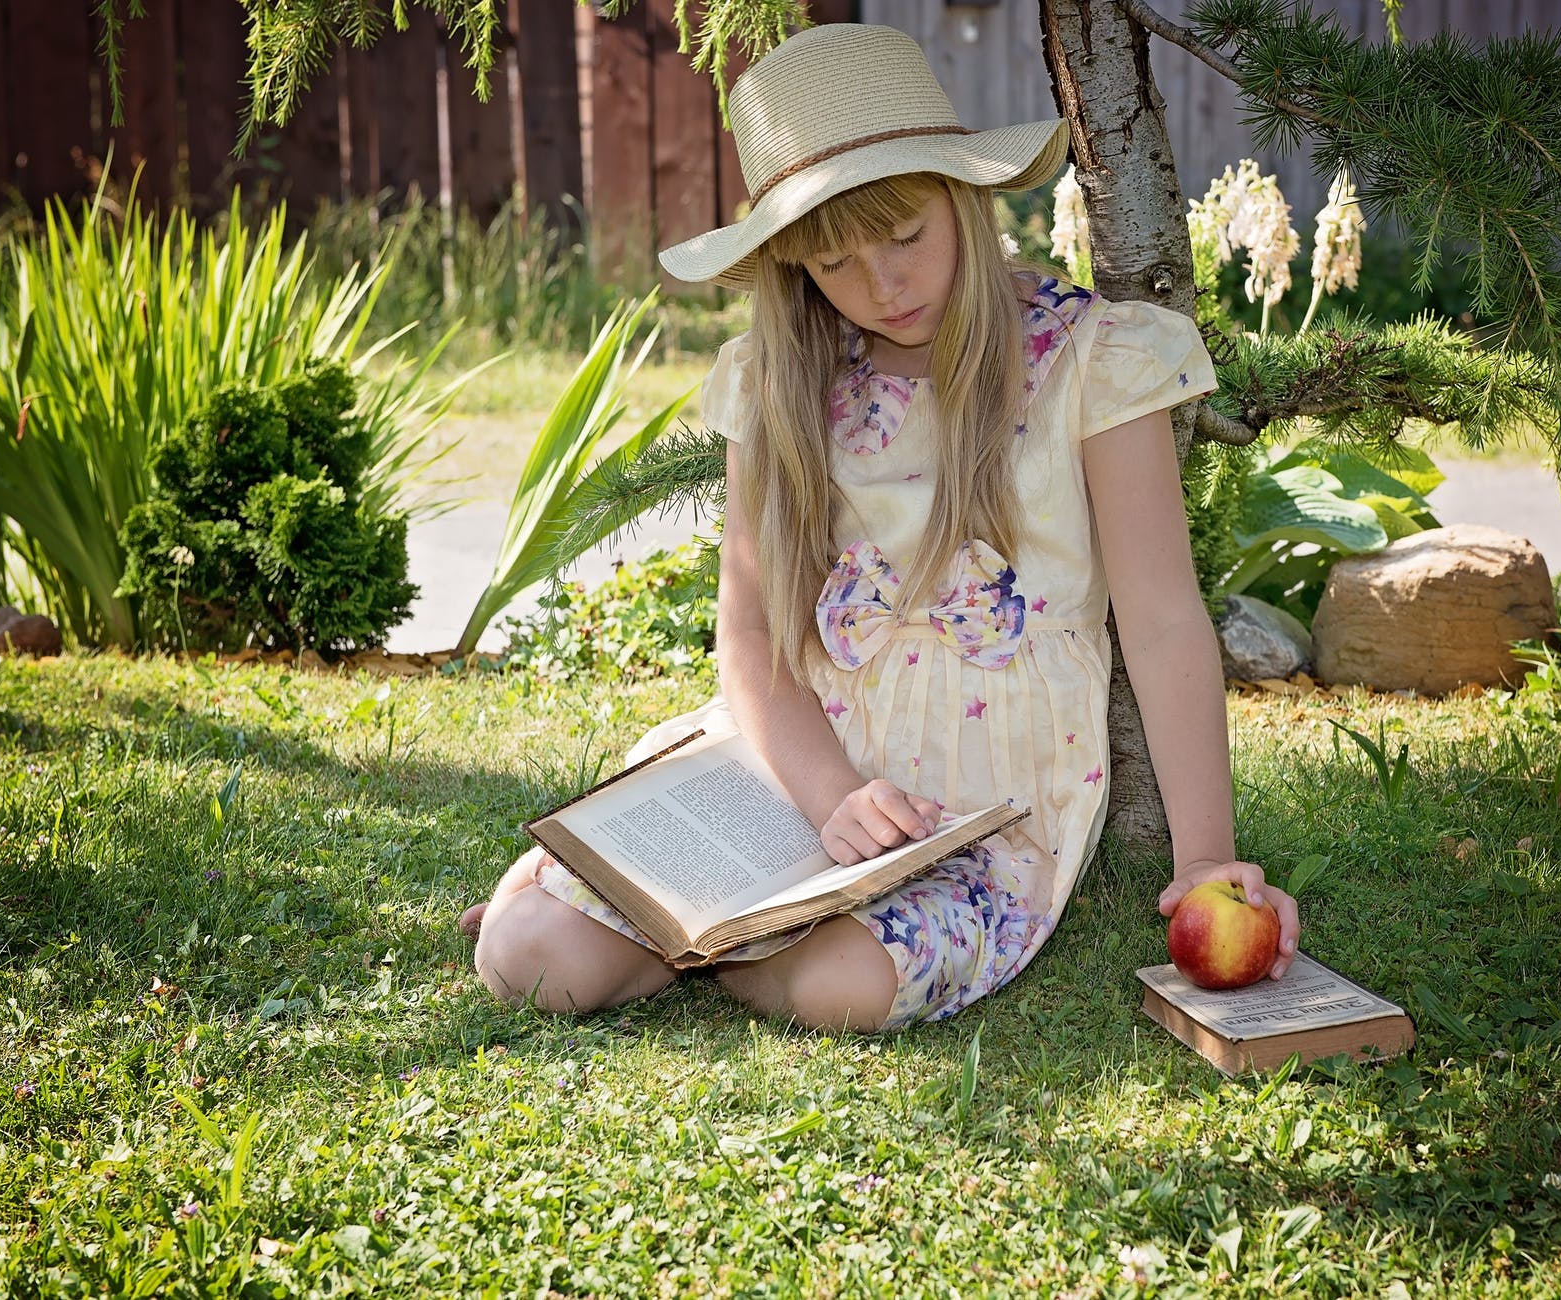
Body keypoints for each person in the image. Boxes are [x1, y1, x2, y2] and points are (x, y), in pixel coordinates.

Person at [460, 23, 1300, 1031]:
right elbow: (753, 636)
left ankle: (707, 949)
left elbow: (1163, 621)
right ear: (792, 268)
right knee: (527, 962)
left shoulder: (1091, 361)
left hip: (981, 809)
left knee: (844, 986)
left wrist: (1205, 858)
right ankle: (639, 911)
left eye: (906, 237)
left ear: (964, 195)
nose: (883, 287)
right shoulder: (781, 381)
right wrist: (826, 799)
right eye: (834, 263)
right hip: (799, 768)